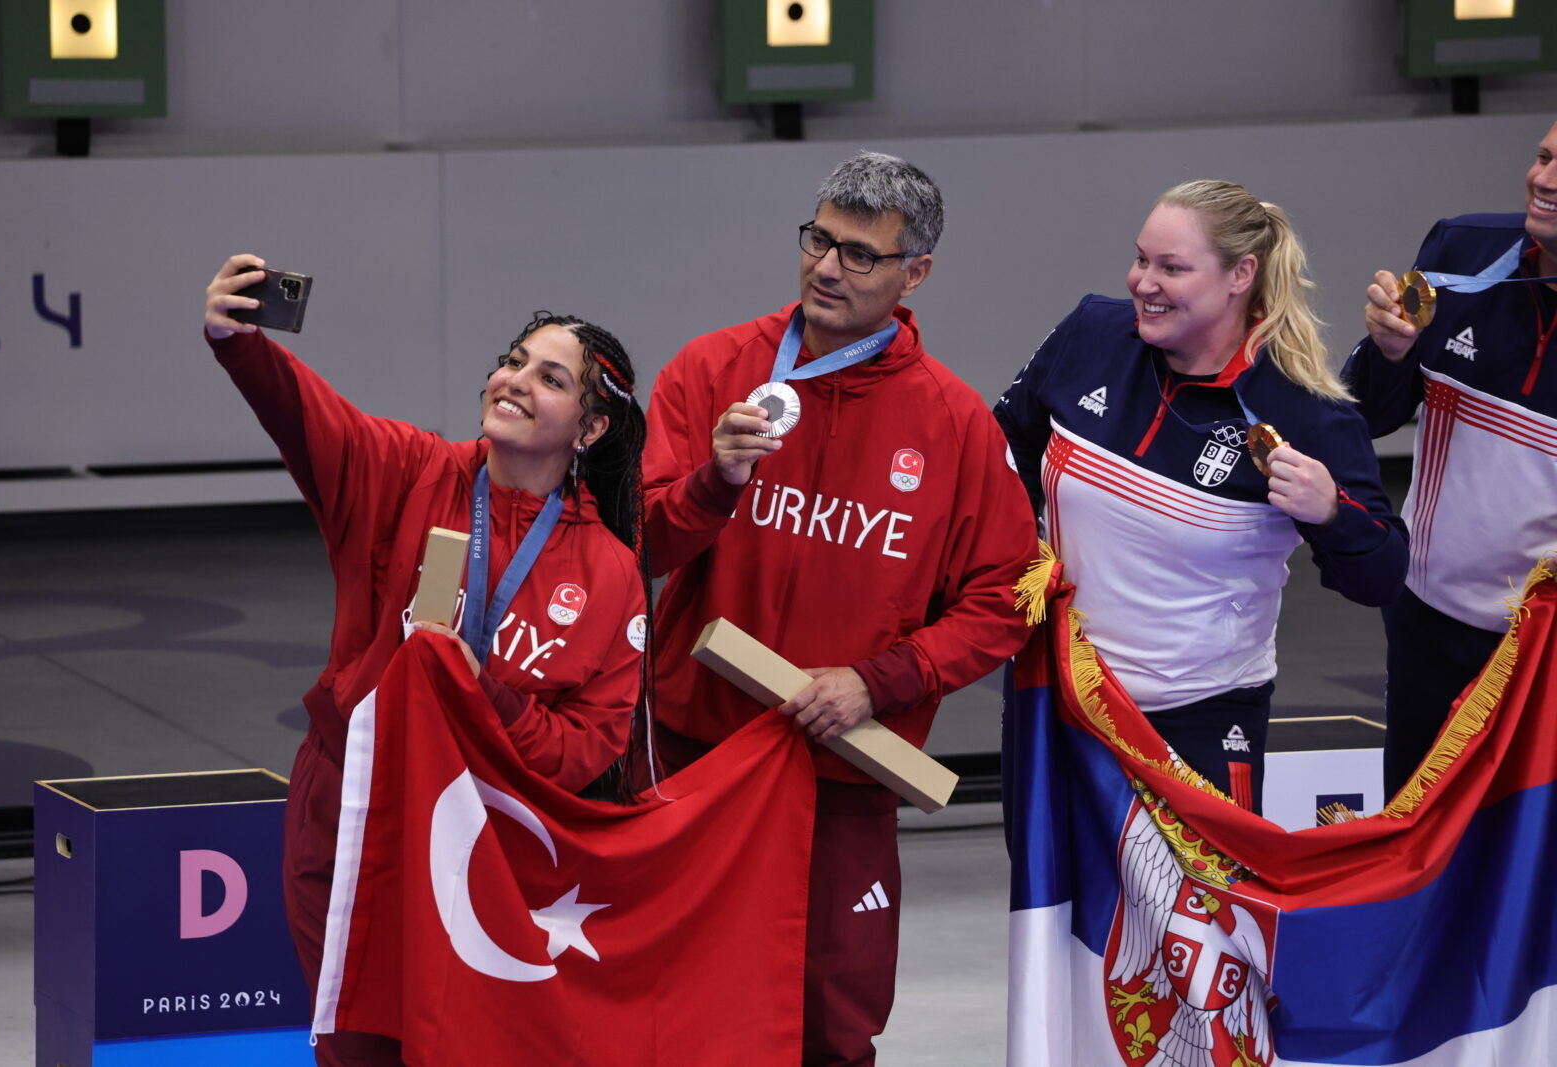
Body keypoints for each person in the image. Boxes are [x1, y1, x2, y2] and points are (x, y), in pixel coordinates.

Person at [203, 254, 652, 1066]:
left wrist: (491, 700)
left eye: (550, 377)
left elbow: (592, 745)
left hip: (490, 837)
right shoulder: (406, 472)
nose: (514, 380)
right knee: (357, 1048)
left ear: (590, 429)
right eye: (512, 361)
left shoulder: (610, 572)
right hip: (352, 811)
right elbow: (312, 418)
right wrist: (240, 344)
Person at [641, 152, 1038, 1065]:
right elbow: (638, 546)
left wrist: (877, 681)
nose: (827, 266)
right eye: (820, 238)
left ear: (915, 273)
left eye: (861, 254)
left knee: (832, 1017)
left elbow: (1005, 600)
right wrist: (715, 479)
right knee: (676, 996)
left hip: (845, 767)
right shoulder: (711, 372)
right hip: (697, 749)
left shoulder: (953, 423)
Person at [995, 179, 1407, 814]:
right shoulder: (1091, 334)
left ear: (1241, 274)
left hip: (1199, 720)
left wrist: (1330, 511)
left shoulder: (1309, 413)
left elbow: (1381, 575)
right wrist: (1021, 551)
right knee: (1058, 911)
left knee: (1194, 916)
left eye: (1172, 268)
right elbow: (1009, 437)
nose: (1143, 282)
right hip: (1057, 696)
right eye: (1141, 259)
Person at [1346, 119, 1557, 801]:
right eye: (1543, 156)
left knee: (1528, 855)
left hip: (1544, 656)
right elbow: (1366, 417)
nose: (1544, 180)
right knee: (1414, 841)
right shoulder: (1458, 249)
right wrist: (1387, 350)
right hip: (1427, 624)